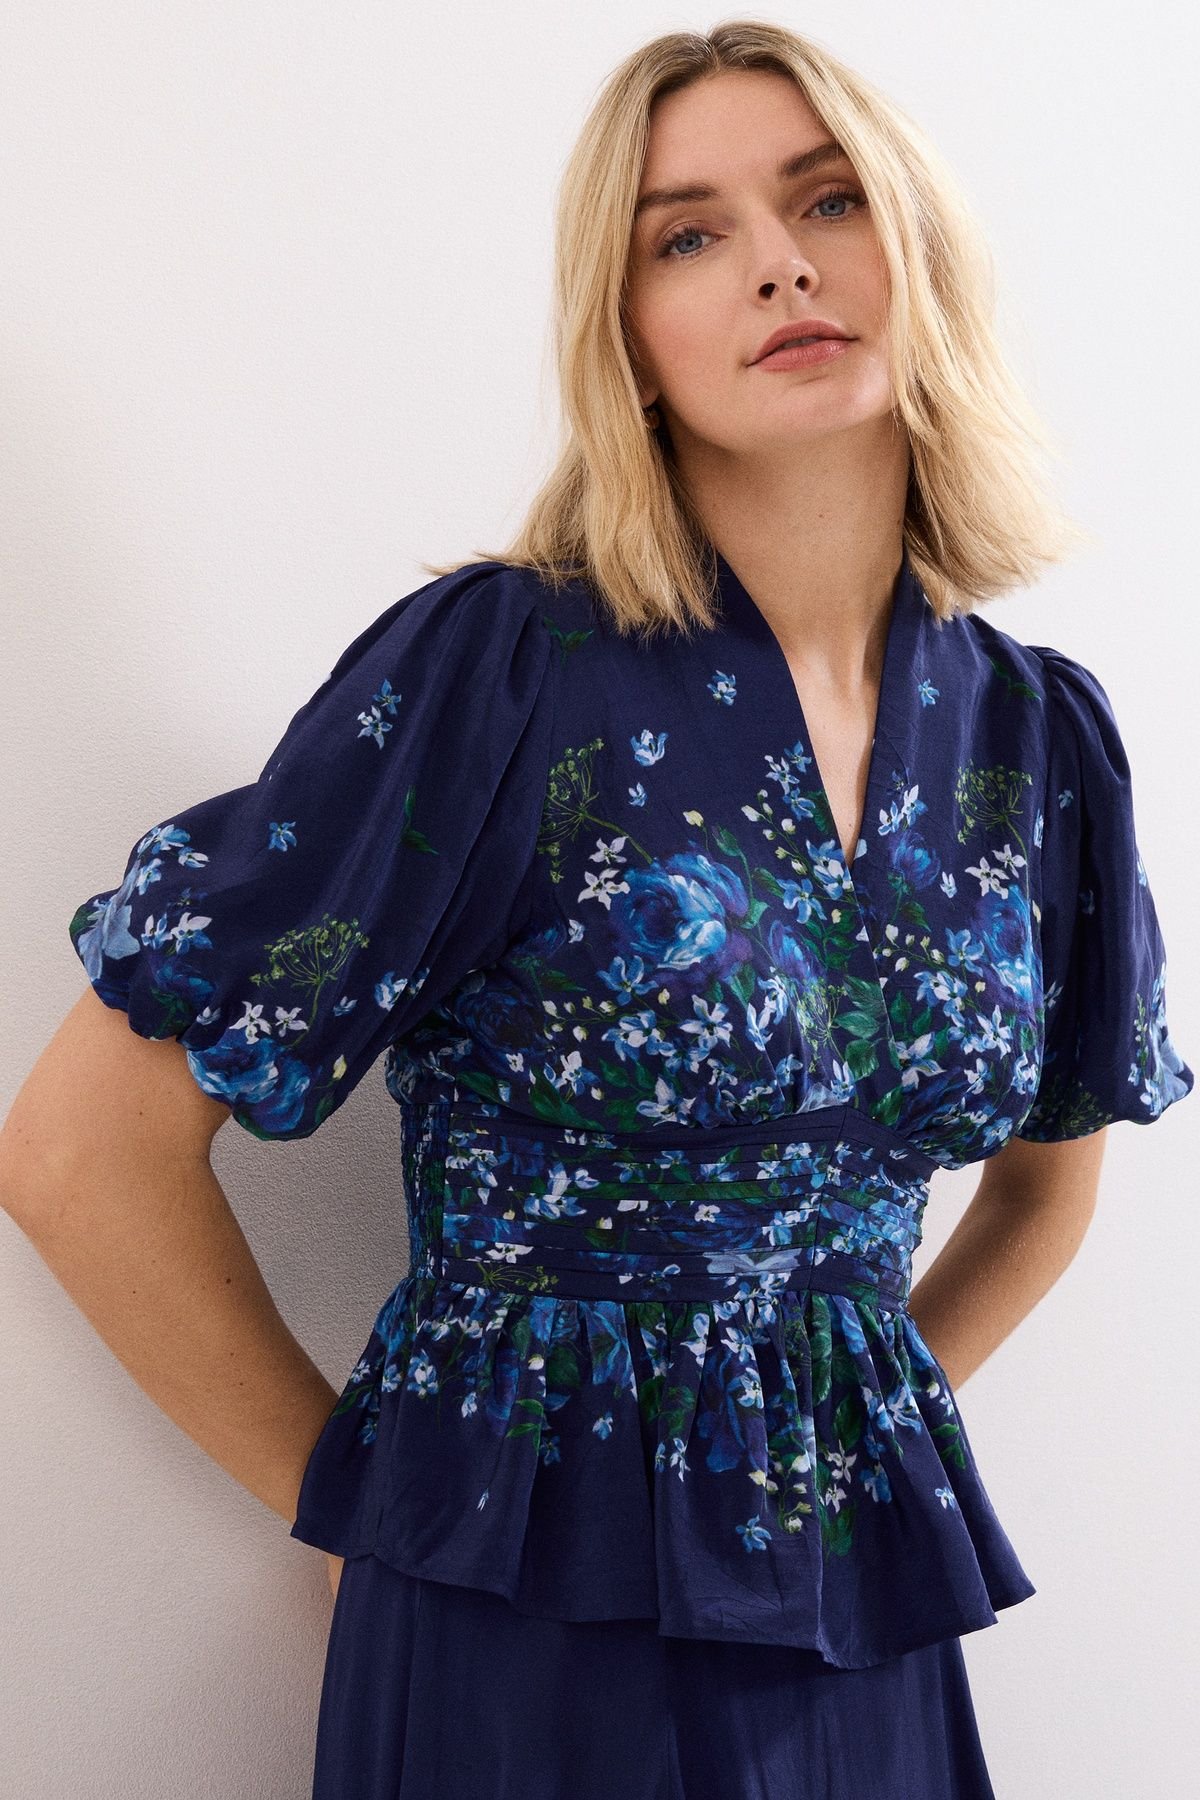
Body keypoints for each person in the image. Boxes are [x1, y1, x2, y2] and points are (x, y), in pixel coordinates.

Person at [3, 19, 1193, 1800]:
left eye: (829, 199)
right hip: (516, 1611)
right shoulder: (504, 674)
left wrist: (848, 1443)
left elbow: (1046, 1190)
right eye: (689, 234)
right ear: (627, 336)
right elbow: (78, 1154)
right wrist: (350, 1513)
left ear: (921, 247)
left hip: (855, 1614)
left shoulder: (1037, 738)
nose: (780, 261)